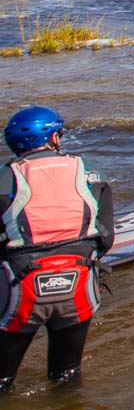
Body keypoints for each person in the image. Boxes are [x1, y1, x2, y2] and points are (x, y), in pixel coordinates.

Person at [2, 106, 112, 393]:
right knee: (67, 376)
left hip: (21, 289)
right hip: (78, 285)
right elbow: (106, 237)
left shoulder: (6, 179)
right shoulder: (90, 174)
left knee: (2, 382)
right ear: (53, 138)